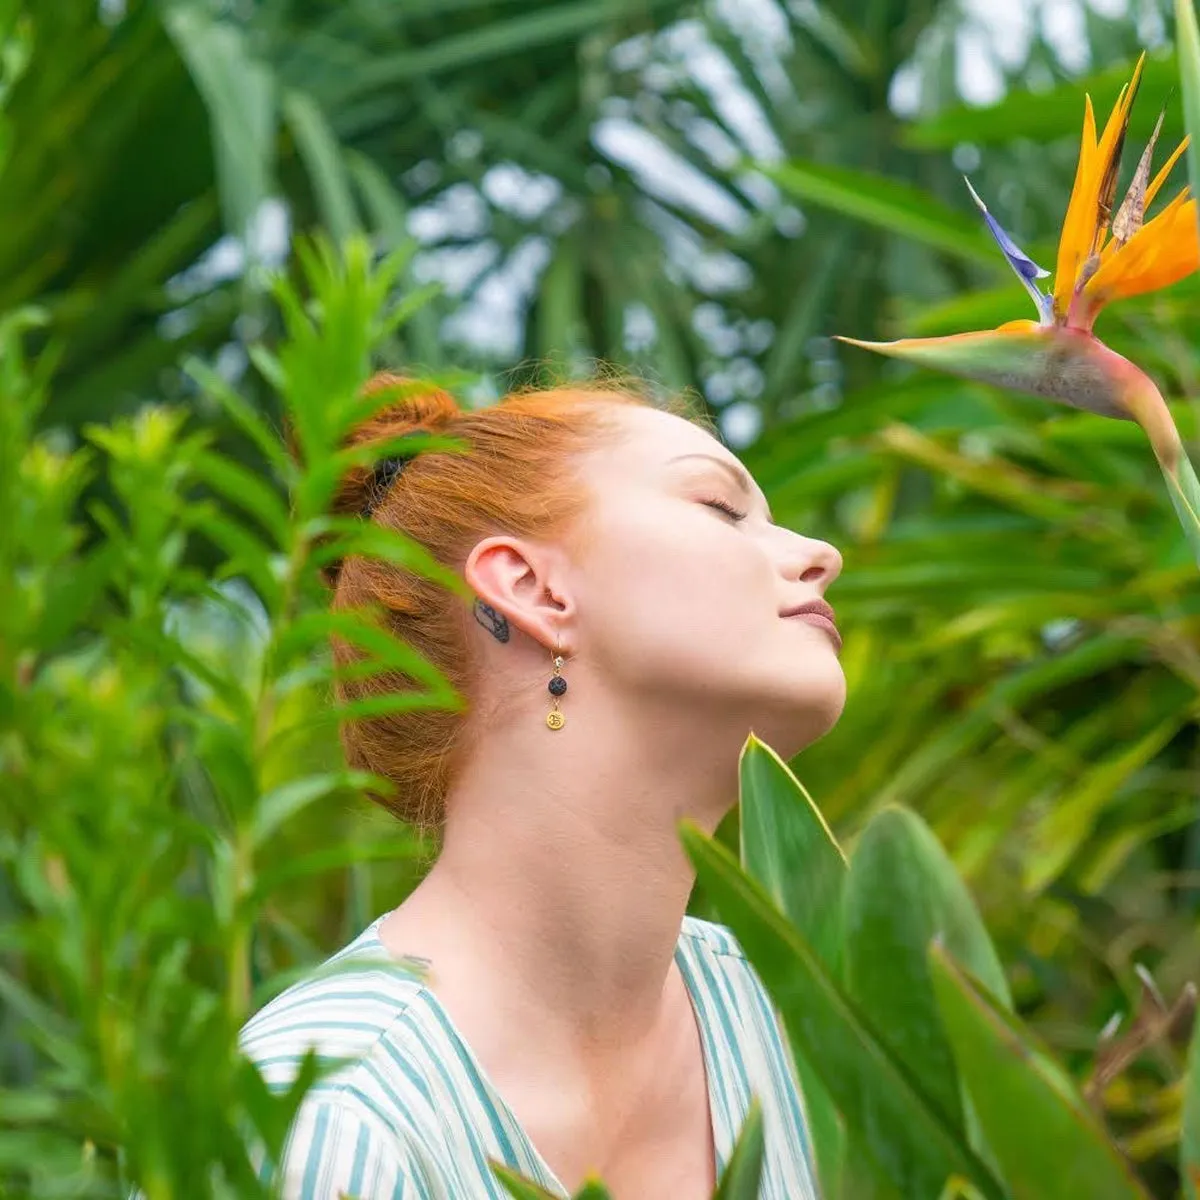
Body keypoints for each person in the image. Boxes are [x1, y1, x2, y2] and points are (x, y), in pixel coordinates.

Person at [239, 374, 844, 1199]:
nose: (820, 554)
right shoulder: (326, 1120)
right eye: (720, 508)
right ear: (531, 588)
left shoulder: (790, 1020)